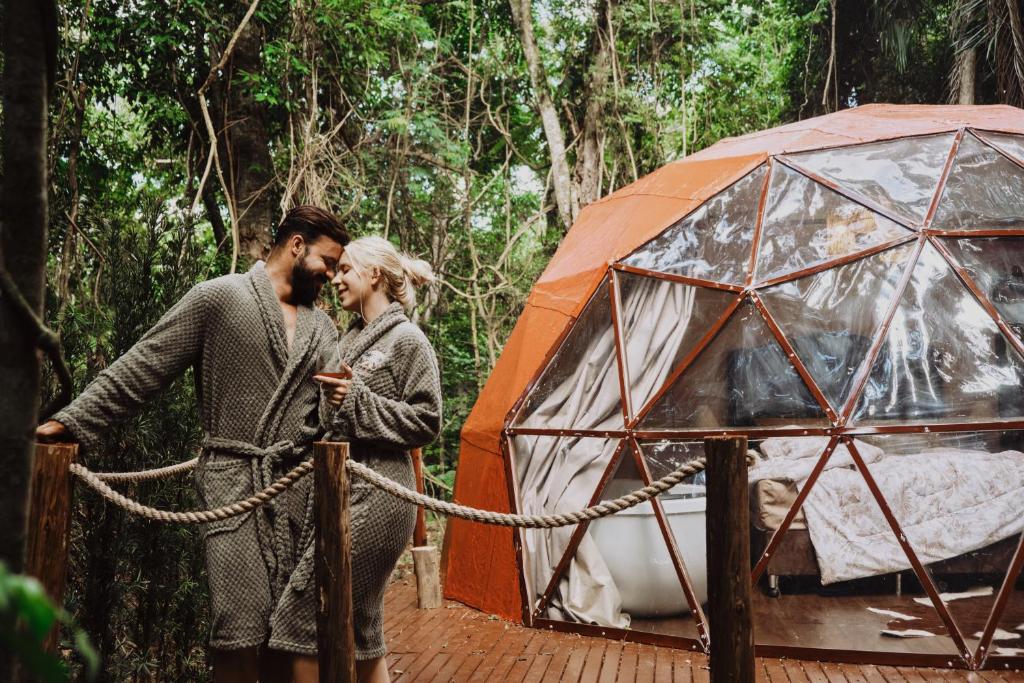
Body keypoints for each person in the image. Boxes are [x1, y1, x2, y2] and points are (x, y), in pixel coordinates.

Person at [36, 206, 350, 683]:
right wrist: (69, 422)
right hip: (232, 484)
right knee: (238, 626)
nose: (331, 274)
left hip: (294, 490)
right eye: (327, 261)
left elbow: (327, 415)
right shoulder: (218, 298)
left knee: (288, 632)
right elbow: (146, 364)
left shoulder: (323, 328)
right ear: (296, 245)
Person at [314, 236, 441, 683]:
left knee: (305, 612)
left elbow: (428, 420)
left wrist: (356, 401)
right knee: (362, 627)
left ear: (373, 276)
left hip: (384, 494)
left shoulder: (407, 340)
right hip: (342, 489)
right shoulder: (348, 340)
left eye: (346, 269)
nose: (336, 278)